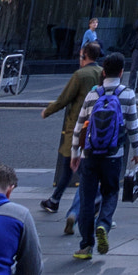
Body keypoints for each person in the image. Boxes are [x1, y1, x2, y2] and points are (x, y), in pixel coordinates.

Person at [70, 52, 138, 261]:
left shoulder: (93, 95)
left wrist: (75, 153)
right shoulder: (127, 94)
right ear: (121, 72)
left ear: (103, 72)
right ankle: (103, 224)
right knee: (110, 192)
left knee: (87, 198)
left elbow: (79, 126)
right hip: (113, 155)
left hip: (90, 155)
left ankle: (85, 246)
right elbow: (133, 126)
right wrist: (136, 153)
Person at [40, 42, 103, 230]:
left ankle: (74, 212)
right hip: (96, 128)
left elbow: (64, 99)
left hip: (77, 126)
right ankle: (55, 199)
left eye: (81, 55)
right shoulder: (102, 72)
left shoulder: (80, 75)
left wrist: (47, 111)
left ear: (85, 56)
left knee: (78, 167)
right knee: (71, 167)